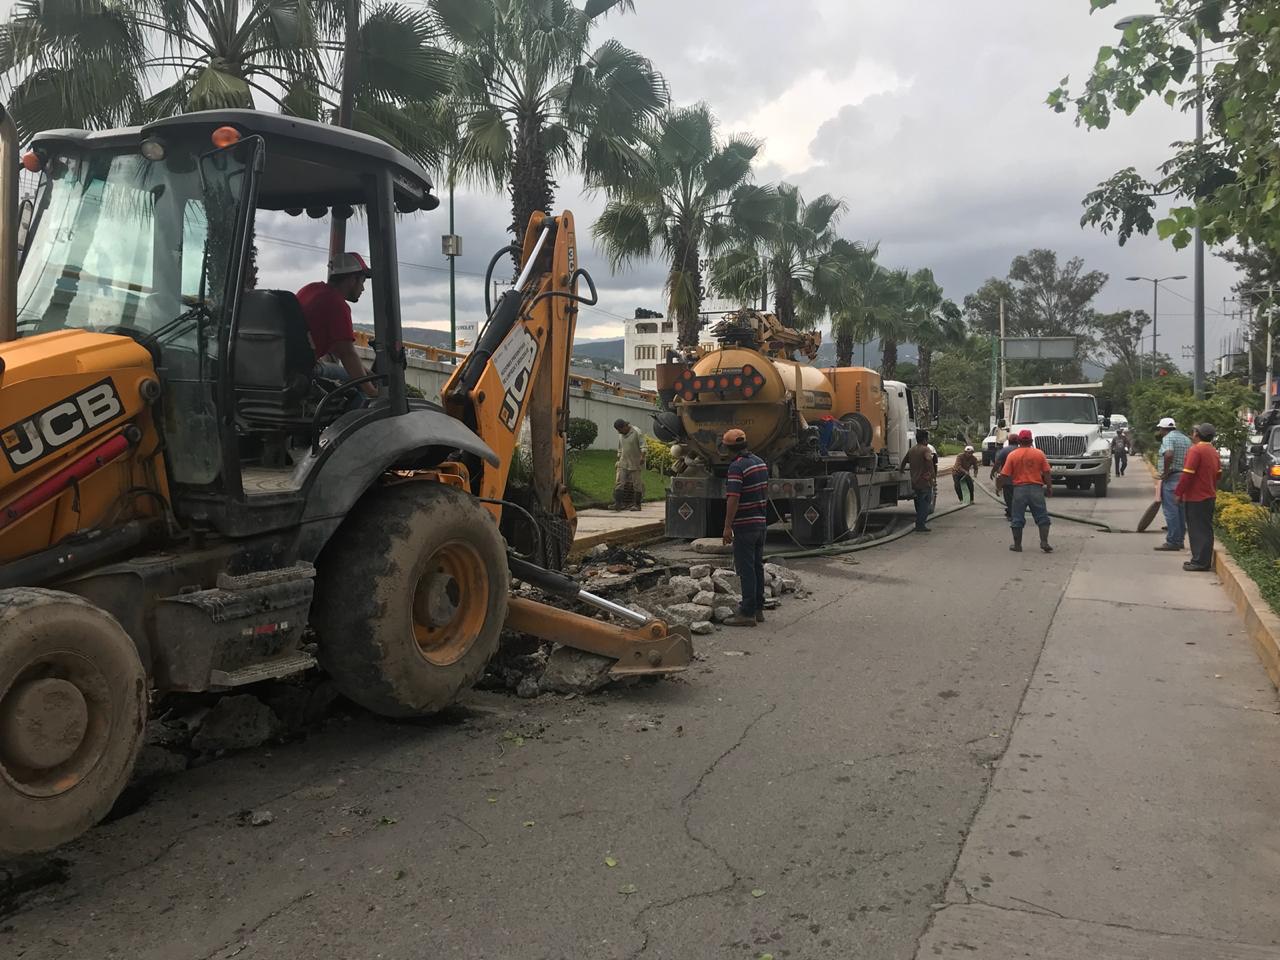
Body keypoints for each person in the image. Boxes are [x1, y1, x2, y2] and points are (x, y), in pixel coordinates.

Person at [297, 252, 378, 400]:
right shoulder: (337, 304)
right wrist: (372, 392)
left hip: (290, 366)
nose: (363, 289)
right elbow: (347, 354)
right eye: (362, 282)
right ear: (352, 279)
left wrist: (365, 371)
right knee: (358, 389)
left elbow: (337, 346)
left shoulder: (311, 289)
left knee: (358, 376)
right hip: (305, 371)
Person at [721, 429, 769, 627]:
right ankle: (758, 608)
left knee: (746, 569)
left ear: (728, 448)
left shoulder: (736, 467)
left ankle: (747, 613)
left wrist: (727, 527)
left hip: (745, 525)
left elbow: (733, 498)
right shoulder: (760, 462)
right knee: (757, 566)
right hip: (760, 524)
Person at [1176, 423, 1222, 572]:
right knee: (1205, 529)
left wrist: (1179, 493)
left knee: (1197, 530)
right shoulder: (1213, 451)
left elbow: (1187, 475)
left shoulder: (1195, 450)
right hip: (1209, 495)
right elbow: (1219, 474)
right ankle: (1202, 560)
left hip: (1196, 497)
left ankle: (1199, 562)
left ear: (1197, 434)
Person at [1001, 429, 1054, 553]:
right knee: (1042, 516)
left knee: (1017, 517)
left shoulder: (1013, 455)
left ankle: (1017, 545)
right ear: (1031, 441)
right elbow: (1046, 472)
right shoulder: (1039, 454)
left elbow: (1004, 474)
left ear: (1019, 441)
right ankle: (1044, 542)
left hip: (1019, 490)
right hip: (1036, 489)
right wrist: (1050, 487)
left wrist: (999, 486)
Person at [1153, 416, 1192, 552]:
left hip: (1172, 477)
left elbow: (1168, 454)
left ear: (1163, 429)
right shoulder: (1186, 439)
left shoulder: (1168, 438)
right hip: (1184, 477)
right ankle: (1179, 540)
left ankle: (1173, 541)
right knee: (1180, 510)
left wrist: (1165, 471)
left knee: (1171, 511)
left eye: (1160, 429)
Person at [899, 430, 936, 532]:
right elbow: (929, 462)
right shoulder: (926, 450)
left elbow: (903, 462)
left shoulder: (912, 450)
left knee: (919, 502)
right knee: (925, 504)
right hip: (924, 482)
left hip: (915, 482)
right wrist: (931, 476)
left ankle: (919, 523)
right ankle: (920, 525)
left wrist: (901, 470)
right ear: (925, 439)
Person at [612, 419, 645, 512]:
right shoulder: (621, 434)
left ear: (625, 426)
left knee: (636, 484)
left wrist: (642, 457)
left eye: (620, 430)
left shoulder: (636, 432)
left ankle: (637, 505)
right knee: (619, 482)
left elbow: (643, 446)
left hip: (635, 462)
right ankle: (618, 504)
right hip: (623, 461)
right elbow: (620, 448)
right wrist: (618, 459)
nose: (619, 432)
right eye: (618, 430)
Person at [990, 434, 1020, 518]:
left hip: (1007, 479)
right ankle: (1015, 513)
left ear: (1009, 441)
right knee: (1018, 498)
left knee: (1009, 498)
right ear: (1018, 441)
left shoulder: (1004, 451)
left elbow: (998, 463)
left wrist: (993, 472)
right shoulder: (1022, 450)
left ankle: (1011, 514)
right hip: (1021, 480)